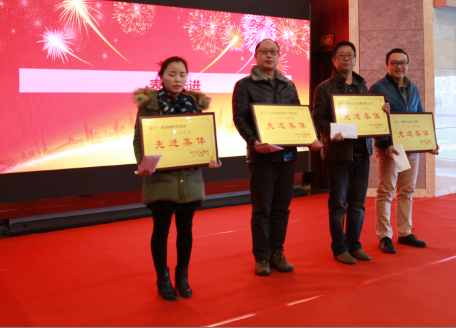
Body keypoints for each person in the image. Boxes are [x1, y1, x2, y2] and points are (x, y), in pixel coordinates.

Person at [133, 56, 222, 301]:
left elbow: (202, 139)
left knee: (186, 229)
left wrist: (210, 157)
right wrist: (143, 163)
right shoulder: (150, 104)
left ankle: (182, 276)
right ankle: (163, 279)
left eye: (182, 74)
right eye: (172, 74)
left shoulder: (194, 104)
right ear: (161, 77)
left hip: (189, 178)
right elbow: (139, 139)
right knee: (161, 231)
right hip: (160, 178)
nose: (177, 79)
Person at [232, 39, 322, 276]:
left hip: (288, 156)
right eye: (264, 52)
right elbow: (240, 118)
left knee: (282, 208)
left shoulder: (288, 85)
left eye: (273, 52)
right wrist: (254, 142)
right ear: (256, 55)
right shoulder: (244, 85)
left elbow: (299, 117)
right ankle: (262, 257)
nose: (269, 55)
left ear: (279, 56)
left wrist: (310, 138)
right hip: (261, 157)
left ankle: (277, 252)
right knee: (262, 209)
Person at [312, 41, 389, 265]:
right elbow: (318, 119)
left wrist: (382, 112)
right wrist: (332, 131)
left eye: (351, 55)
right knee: (338, 204)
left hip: (362, 154)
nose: (347, 59)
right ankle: (339, 247)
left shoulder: (362, 86)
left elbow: (369, 117)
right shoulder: (324, 88)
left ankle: (354, 244)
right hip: (338, 154)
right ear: (334, 60)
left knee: (358, 204)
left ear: (355, 59)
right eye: (342, 55)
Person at [369, 48, 439, 254]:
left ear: (408, 65)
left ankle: (405, 232)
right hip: (391, 148)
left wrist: (429, 142)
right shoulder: (378, 88)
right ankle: (384, 236)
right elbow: (375, 121)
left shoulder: (413, 87)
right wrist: (385, 144)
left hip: (411, 148)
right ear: (387, 65)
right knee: (386, 192)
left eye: (403, 63)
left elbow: (419, 116)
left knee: (407, 191)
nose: (400, 66)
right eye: (395, 63)